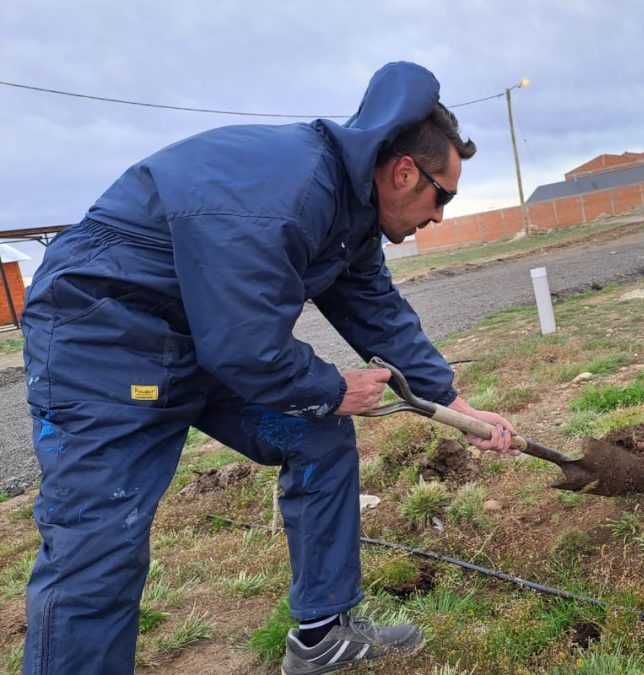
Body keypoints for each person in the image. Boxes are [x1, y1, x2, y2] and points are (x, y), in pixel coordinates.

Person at [20, 61, 515, 675]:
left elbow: (376, 311)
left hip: (197, 340)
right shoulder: (286, 192)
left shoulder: (351, 211)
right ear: (404, 172)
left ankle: (321, 634)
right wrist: (333, 387)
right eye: (442, 197)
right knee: (99, 538)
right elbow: (245, 347)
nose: (439, 216)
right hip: (105, 340)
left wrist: (452, 403)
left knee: (318, 437)